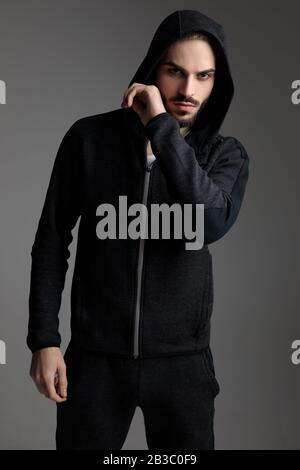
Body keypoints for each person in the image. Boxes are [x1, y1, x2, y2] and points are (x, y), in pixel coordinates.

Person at [27, 9, 250, 450]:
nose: (188, 90)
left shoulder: (225, 157)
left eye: (204, 76)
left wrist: (161, 129)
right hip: (94, 361)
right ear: (152, 71)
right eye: (175, 72)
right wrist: (44, 340)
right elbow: (52, 238)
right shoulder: (88, 140)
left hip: (183, 365)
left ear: (216, 82)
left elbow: (209, 222)